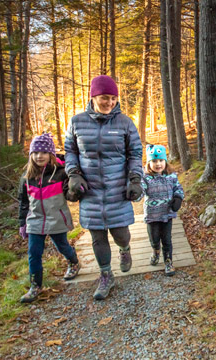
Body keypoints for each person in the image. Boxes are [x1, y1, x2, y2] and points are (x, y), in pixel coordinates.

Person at [64, 75, 144, 300]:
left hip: (118, 187)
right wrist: (74, 174)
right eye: (104, 98)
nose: (109, 102)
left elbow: (135, 153)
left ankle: (125, 250)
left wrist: (135, 178)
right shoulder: (77, 122)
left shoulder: (125, 122)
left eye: (113, 98)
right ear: (93, 96)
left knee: (121, 233)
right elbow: (70, 151)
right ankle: (106, 275)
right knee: (97, 237)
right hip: (90, 189)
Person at [18, 133, 81, 303]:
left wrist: (75, 190)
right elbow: (23, 202)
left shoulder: (60, 173)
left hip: (56, 218)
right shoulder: (27, 177)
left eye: (43, 152)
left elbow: (70, 195)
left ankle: (73, 261)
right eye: (36, 153)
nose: (39, 156)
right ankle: (35, 286)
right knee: (34, 253)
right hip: (35, 220)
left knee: (62, 246)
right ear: (31, 155)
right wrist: (22, 223)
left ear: (51, 154)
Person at [141, 144, 184, 276]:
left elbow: (178, 189)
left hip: (167, 214)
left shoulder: (171, 176)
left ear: (165, 161)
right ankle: (155, 251)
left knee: (166, 239)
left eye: (160, 160)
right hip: (152, 215)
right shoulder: (145, 177)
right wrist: (135, 192)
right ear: (149, 163)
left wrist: (178, 198)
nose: (158, 164)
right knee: (154, 238)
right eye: (154, 161)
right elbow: (140, 191)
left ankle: (168, 261)